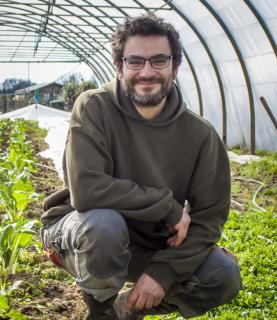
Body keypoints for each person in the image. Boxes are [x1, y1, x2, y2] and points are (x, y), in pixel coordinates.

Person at [40, 13, 242, 320]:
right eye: (135, 61)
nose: (147, 72)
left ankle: (122, 311)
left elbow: (209, 218)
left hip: (146, 243)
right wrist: (167, 207)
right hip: (80, 229)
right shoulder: (95, 106)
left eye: (159, 61)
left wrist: (164, 272)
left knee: (221, 275)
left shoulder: (200, 135)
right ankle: (100, 310)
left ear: (175, 67)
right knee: (104, 226)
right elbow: (87, 191)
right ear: (119, 66)